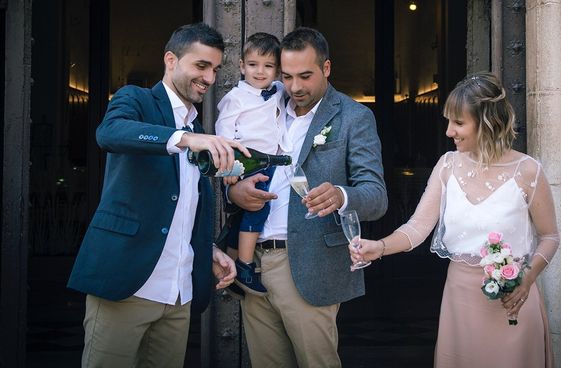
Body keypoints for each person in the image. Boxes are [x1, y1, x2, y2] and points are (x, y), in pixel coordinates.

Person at [68, 22, 246, 368]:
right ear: (170, 60)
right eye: (201, 65)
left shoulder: (198, 129)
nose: (209, 78)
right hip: (127, 284)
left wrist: (205, 248)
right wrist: (183, 139)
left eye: (214, 69)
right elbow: (110, 133)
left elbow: (181, 206)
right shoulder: (136, 99)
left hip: (178, 292)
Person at [351, 72, 560, 368]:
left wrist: (527, 278)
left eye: (459, 123)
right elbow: (417, 227)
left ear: (488, 122)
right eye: (449, 121)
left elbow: (550, 236)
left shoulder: (528, 171)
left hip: (512, 300)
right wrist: (380, 247)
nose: (449, 132)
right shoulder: (447, 165)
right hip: (460, 301)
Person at [227, 27, 388, 367]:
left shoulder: (353, 117)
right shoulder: (263, 107)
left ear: (326, 68)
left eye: (305, 76)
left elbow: (376, 196)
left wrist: (341, 195)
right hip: (251, 261)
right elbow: (234, 163)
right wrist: (233, 190)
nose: (295, 87)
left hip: (310, 266)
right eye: (286, 76)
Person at [215, 32, 289, 296]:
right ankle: (245, 266)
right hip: (247, 161)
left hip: (269, 160)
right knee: (258, 209)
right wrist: (230, 168)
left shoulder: (279, 90)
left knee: (239, 219)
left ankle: (232, 270)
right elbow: (223, 133)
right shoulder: (236, 97)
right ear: (242, 65)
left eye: (268, 66)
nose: (260, 72)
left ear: (278, 71)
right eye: (254, 65)